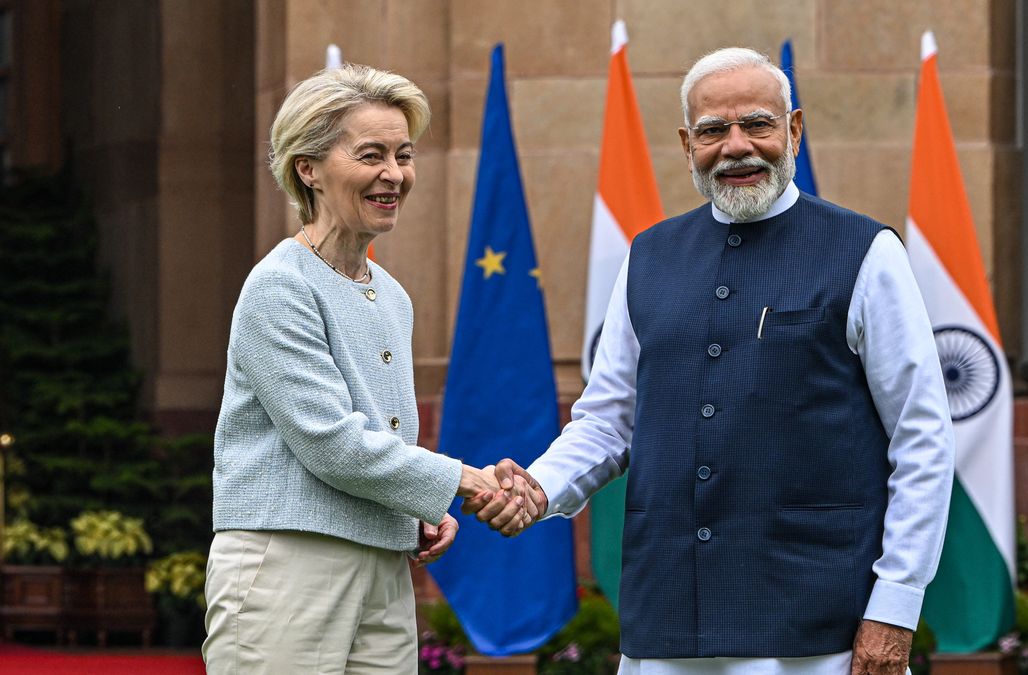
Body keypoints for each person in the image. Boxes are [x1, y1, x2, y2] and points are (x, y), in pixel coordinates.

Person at [468, 47, 956, 675]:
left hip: (819, 624)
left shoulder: (866, 251)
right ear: (686, 143)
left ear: (794, 130)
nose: (736, 146)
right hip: (669, 618)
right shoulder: (648, 256)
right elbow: (608, 420)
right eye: (712, 131)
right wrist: (539, 489)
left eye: (757, 123)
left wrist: (895, 606)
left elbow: (922, 438)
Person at [204, 64, 506, 673]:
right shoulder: (279, 286)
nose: (394, 174)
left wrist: (420, 508)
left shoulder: (392, 293)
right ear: (306, 168)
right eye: (371, 154)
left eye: (403, 154)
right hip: (286, 569)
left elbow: (377, 440)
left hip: (383, 569)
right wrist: (463, 482)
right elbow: (332, 444)